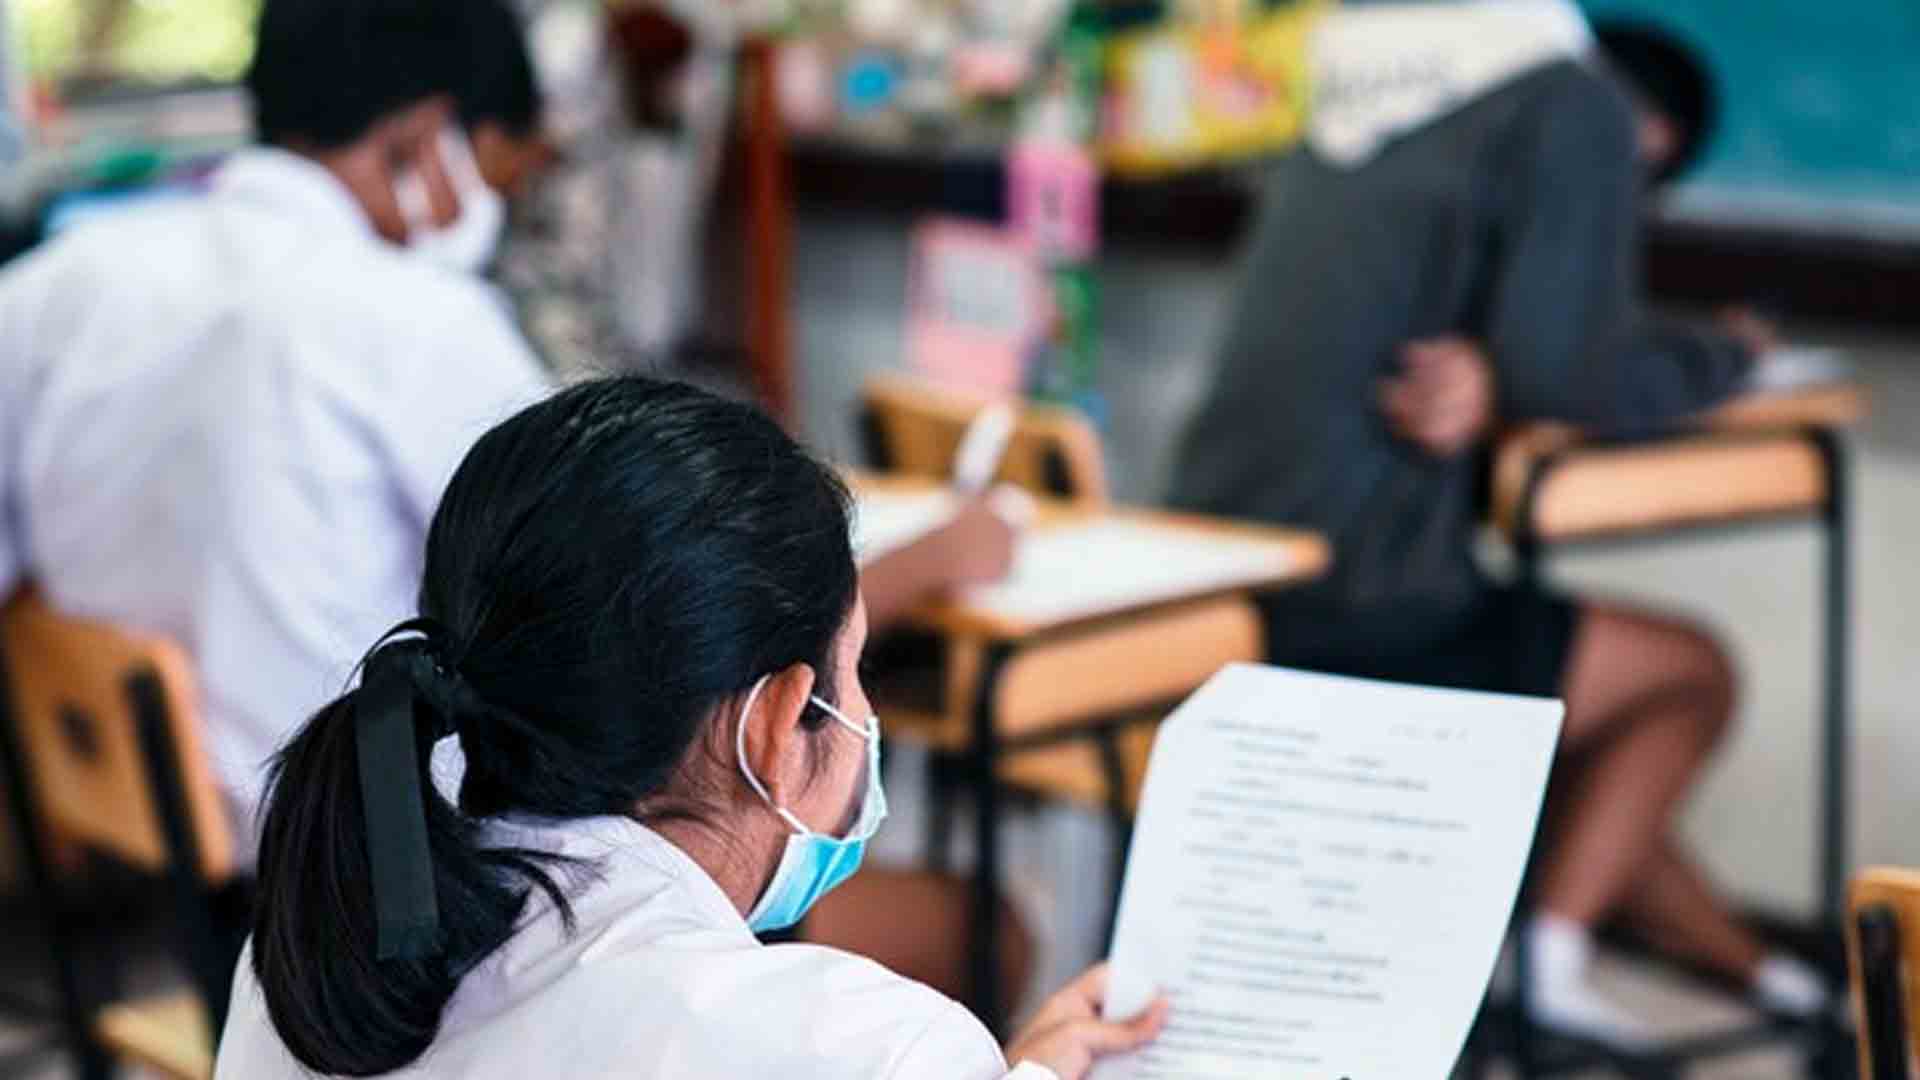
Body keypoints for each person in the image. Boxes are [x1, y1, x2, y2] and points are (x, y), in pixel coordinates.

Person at [1168, 14, 1827, 1045]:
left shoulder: (1368, 82)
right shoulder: (1578, 110)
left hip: (1217, 566)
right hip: (1363, 604)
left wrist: (1499, 369)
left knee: (1562, 733)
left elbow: (1501, 348)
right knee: (1692, 674)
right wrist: (1729, 352)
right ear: (1647, 142)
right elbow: (1566, 370)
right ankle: (1551, 965)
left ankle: (1769, 979)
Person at [215, 377, 1167, 1079]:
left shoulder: (320, 957)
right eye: (854, 672)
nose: (866, 716)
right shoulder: (861, 1046)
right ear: (773, 727)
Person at [0, 0, 554, 852]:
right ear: (423, 141)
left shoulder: (56, 283)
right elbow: (582, 586)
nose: (490, 213)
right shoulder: (417, 317)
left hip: (133, 835)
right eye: (494, 176)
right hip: (351, 858)